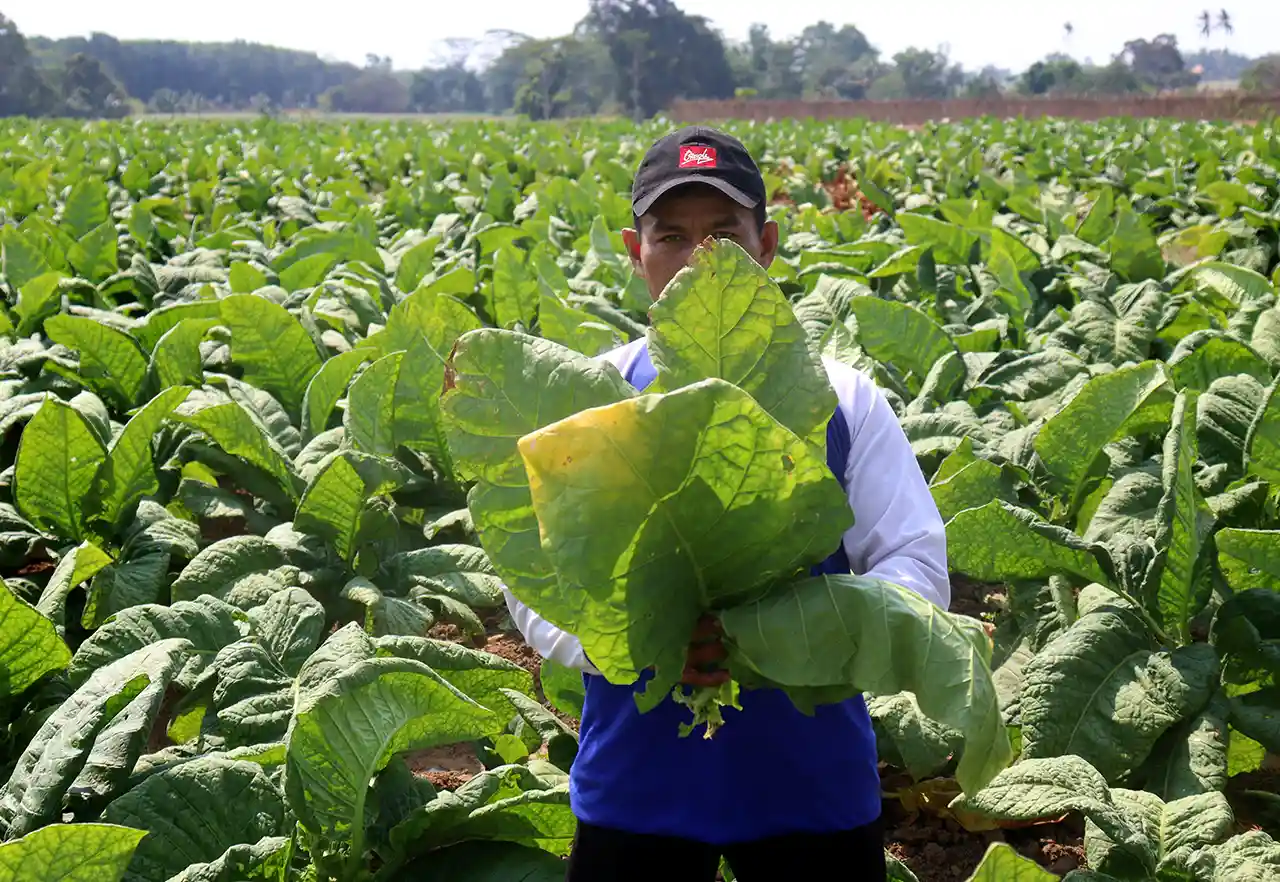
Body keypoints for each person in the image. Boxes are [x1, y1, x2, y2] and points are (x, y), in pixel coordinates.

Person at [503, 126, 951, 882]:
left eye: (724, 234)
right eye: (671, 235)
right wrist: (641, 642)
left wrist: (790, 633)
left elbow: (916, 567)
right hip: (638, 787)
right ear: (633, 250)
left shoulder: (845, 401)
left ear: (767, 242)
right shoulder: (595, 402)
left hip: (809, 785)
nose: (697, 257)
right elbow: (531, 576)